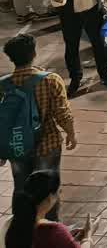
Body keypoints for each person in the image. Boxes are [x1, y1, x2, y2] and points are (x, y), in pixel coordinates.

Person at [1, 34, 75, 219]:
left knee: (21, 188)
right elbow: (62, 113)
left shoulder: (3, 85)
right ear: (33, 53)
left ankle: (22, 230)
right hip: (47, 145)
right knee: (47, 191)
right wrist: (71, 133)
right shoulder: (50, 80)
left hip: (17, 146)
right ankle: (50, 230)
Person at [4, 170, 94, 248]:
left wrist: (67, 238)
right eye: (59, 192)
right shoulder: (53, 230)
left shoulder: (14, 225)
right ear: (50, 197)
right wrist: (88, 236)